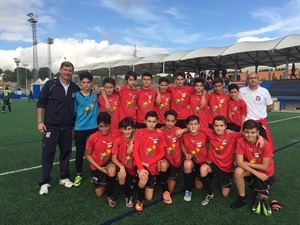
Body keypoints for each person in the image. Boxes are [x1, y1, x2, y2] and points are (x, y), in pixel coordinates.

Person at [37, 61, 80, 195]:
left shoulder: (74, 87)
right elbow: (41, 103)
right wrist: (39, 121)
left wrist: (95, 89)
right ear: (60, 70)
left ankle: (64, 177)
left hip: (67, 128)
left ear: (72, 72)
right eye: (65, 70)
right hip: (51, 127)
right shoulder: (50, 85)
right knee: (48, 154)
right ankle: (45, 182)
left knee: (66, 153)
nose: (67, 72)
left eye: (70, 70)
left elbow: (83, 98)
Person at [230, 120, 274, 216]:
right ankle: (242, 199)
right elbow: (239, 163)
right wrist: (256, 173)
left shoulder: (265, 145)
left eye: (253, 132)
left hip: (265, 172)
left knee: (261, 197)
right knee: (238, 171)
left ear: (258, 133)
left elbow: (264, 166)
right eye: (247, 132)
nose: (249, 135)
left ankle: (263, 188)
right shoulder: (241, 141)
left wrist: (245, 163)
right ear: (243, 132)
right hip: (256, 172)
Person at [85, 112, 121, 208]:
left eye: (106, 126)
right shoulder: (92, 138)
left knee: (112, 169)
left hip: (109, 163)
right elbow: (88, 155)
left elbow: (132, 130)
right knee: (99, 193)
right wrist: (99, 168)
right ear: (97, 125)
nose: (104, 129)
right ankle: (110, 180)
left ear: (110, 124)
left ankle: (109, 195)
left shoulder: (116, 133)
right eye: (101, 126)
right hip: (97, 167)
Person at [133, 111, 166, 211]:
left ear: (157, 122)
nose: (151, 124)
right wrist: (140, 168)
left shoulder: (160, 135)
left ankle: (139, 184)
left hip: (151, 165)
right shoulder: (140, 132)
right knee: (143, 177)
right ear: (145, 121)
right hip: (140, 164)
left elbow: (162, 153)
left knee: (149, 197)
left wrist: (149, 163)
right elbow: (135, 151)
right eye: (149, 121)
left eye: (154, 121)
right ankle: (139, 200)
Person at [73, 71, 99, 187]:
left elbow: (109, 91)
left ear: (91, 83)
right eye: (84, 82)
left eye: (88, 82)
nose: (86, 85)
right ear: (80, 83)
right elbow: (74, 112)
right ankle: (79, 174)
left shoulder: (96, 94)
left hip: (93, 127)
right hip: (80, 128)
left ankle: (95, 174)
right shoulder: (77, 95)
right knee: (80, 152)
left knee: (94, 152)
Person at [239, 72, 274, 151]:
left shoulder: (264, 91)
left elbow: (270, 106)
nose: (253, 80)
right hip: (247, 122)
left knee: (264, 144)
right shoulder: (241, 91)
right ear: (247, 80)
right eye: (250, 78)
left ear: (258, 80)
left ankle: (266, 161)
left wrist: (261, 113)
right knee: (246, 144)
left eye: (255, 78)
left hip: (260, 122)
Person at [181, 115, 207, 202]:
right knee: (187, 164)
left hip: (202, 162)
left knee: (199, 187)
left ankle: (195, 176)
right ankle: (188, 190)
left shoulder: (204, 134)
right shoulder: (184, 135)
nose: (193, 126)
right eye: (191, 124)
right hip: (191, 161)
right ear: (187, 126)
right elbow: (181, 144)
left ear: (199, 125)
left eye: (195, 124)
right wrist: (186, 154)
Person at [111, 117, 136, 208]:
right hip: (124, 166)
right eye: (124, 129)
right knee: (121, 176)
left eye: (129, 129)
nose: (127, 131)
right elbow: (113, 158)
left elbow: (139, 131)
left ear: (133, 129)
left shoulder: (137, 138)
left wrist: (132, 143)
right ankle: (128, 196)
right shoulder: (118, 140)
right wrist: (121, 167)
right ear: (121, 129)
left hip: (135, 166)